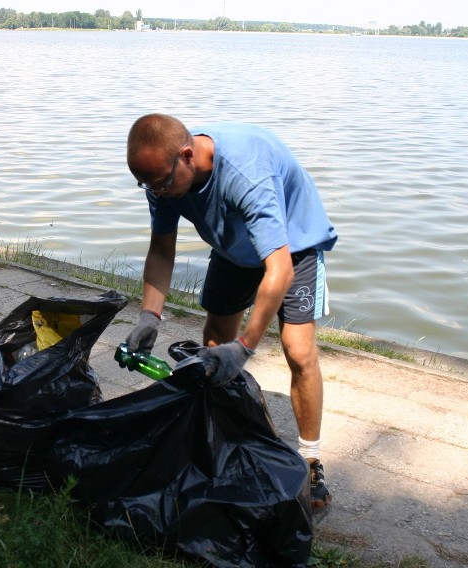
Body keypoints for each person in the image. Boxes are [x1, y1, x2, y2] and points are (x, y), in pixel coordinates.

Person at [124, 113, 338, 509]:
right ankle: (219, 441)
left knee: (298, 351)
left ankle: (310, 459)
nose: (157, 192)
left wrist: (245, 347)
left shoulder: (246, 174)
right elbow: (161, 248)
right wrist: (148, 316)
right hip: (231, 248)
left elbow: (279, 268)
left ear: (187, 155)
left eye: (161, 183)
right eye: (146, 185)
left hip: (293, 246)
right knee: (212, 347)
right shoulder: (164, 179)